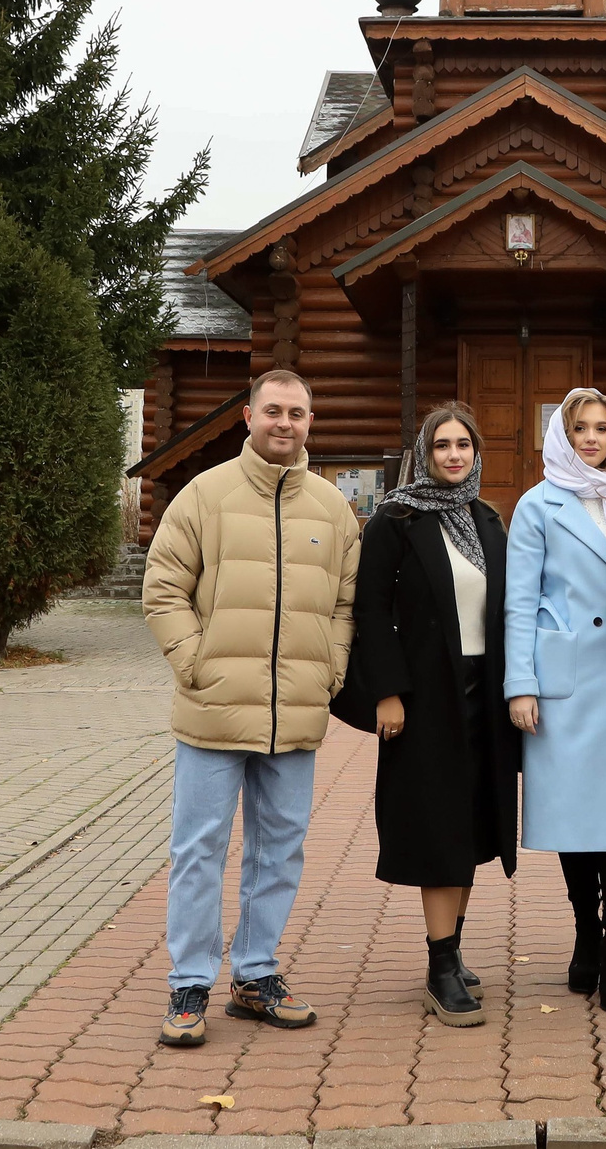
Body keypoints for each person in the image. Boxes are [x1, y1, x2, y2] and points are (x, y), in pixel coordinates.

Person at [140, 369, 359, 1050]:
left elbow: (346, 605)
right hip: (212, 713)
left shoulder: (333, 509)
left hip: (294, 713)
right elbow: (164, 588)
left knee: (279, 850)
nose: (284, 422)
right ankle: (190, 980)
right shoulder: (204, 496)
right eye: (273, 410)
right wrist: (195, 664)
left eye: (297, 411)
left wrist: (331, 669)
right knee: (199, 849)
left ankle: (256, 973)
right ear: (248, 415)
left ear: (310, 420)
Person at [349, 403, 517, 1029]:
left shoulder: (487, 520)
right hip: (424, 697)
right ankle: (440, 964)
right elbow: (370, 610)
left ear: (477, 454)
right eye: (442, 444)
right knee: (437, 827)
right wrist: (386, 693)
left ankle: (451, 948)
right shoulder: (396, 520)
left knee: (472, 824)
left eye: (463, 446)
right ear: (424, 452)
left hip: (484, 692)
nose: (453, 455)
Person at [503, 387, 606, 1012]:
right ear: (562, 436)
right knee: (577, 819)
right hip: (566, 679)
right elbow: (519, 599)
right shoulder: (537, 504)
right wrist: (521, 684)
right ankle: (585, 935)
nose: (592, 439)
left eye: (602, 428)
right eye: (580, 429)